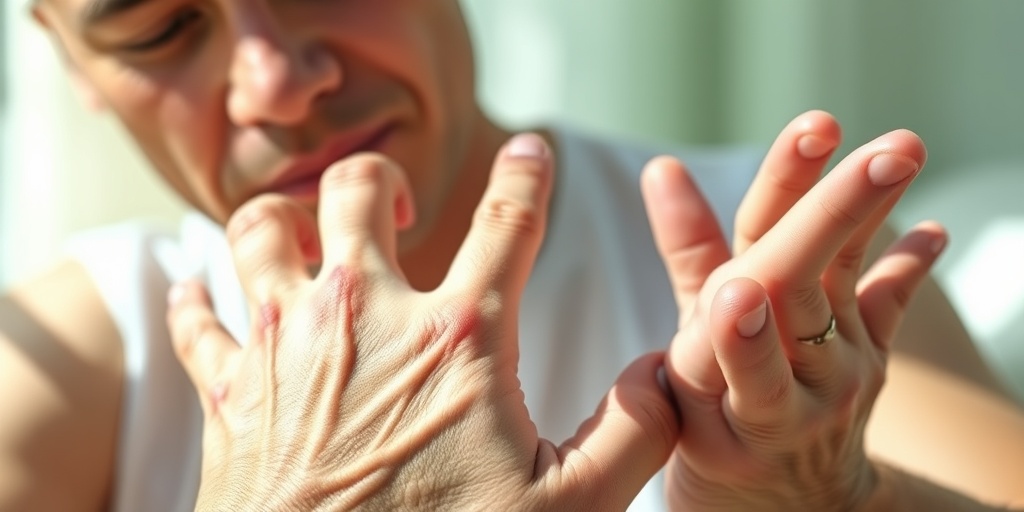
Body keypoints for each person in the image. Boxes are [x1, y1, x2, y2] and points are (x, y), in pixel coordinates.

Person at [0, 0, 1020, 510]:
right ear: (66, 55)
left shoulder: (772, 257)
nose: (276, 80)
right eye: (160, 30)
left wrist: (830, 498)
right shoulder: (87, 353)